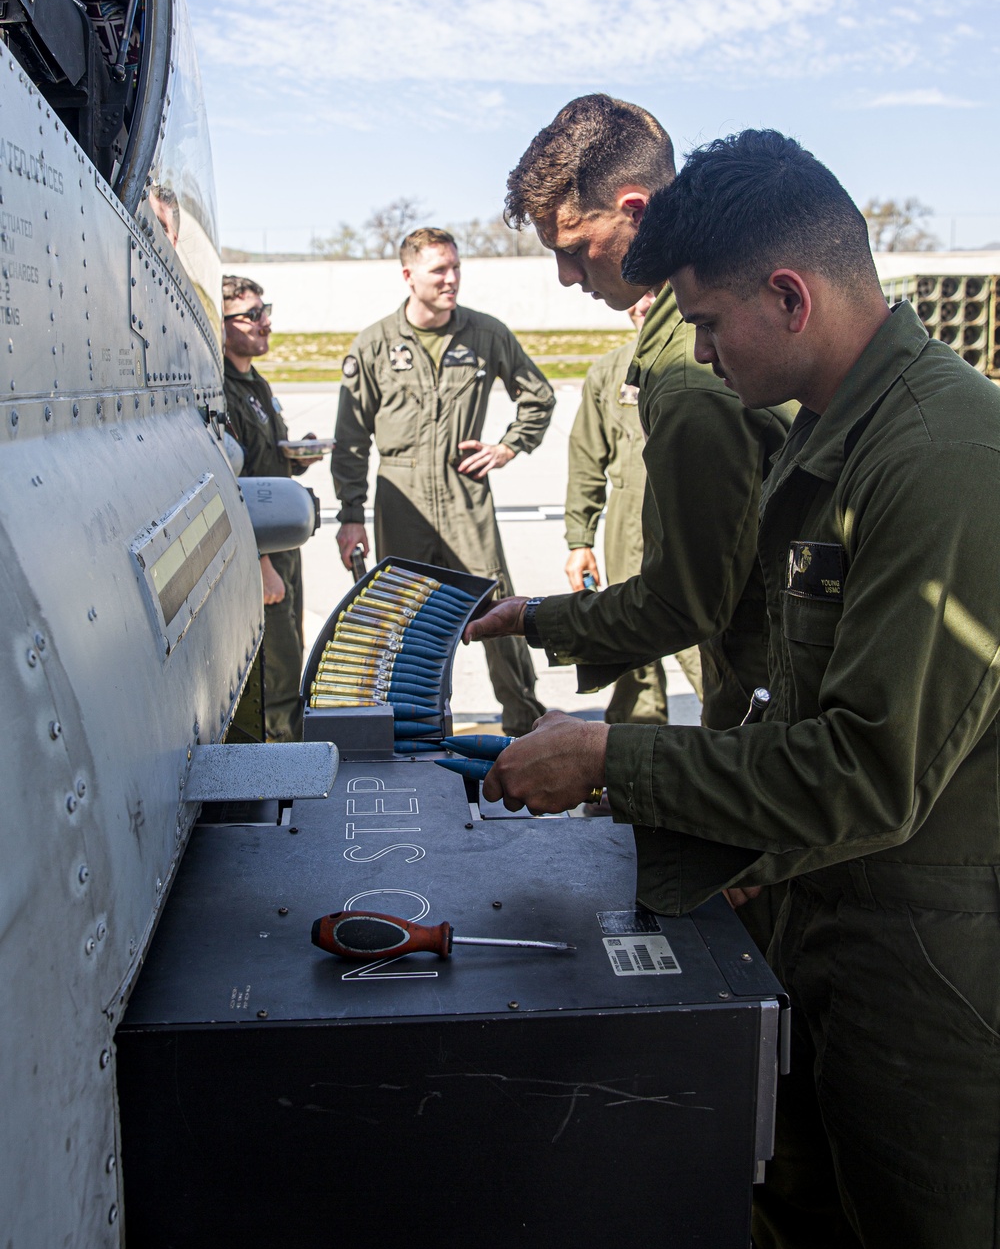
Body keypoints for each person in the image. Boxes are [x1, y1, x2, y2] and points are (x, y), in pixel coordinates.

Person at [478, 130, 1000, 1249]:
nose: (699, 354)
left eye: (709, 325)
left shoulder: (938, 456)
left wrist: (615, 760)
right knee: (810, 1232)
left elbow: (871, 769)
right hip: (828, 915)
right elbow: (780, 688)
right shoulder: (832, 431)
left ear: (788, 294)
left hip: (928, 962)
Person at [473, 94, 792, 949]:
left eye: (576, 251)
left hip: (779, 729)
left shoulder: (691, 374)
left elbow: (689, 604)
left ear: (636, 212)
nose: (570, 278)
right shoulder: (692, 342)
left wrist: (540, 619)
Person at [330, 227, 554, 736]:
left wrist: (509, 445)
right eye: (439, 270)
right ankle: (413, 730)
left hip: (464, 496)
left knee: (498, 613)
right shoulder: (374, 345)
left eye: (456, 267)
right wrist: (350, 515)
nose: (452, 279)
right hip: (399, 496)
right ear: (409, 276)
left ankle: (526, 725)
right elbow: (350, 441)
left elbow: (537, 396)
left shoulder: (486, 334)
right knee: (402, 623)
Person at [564, 288, 703, 729]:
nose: (642, 305)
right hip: (627, 527)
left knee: (706, 646)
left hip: (691, 523)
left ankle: (736, 744)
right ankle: (632, 768)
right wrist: (579, 540)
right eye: (635, 296)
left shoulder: (706, 358)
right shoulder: (609, 373)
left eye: (653, 294)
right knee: (631, 648)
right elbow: (587, 458)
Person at [222, 275, 321, 742]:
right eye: (252, 315)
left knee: (291, 659)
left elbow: (261, 462)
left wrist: (293, 457)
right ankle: (285, 788)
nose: (266, 323)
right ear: (221, 325)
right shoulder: (221, 390)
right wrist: (260, 563)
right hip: (258, 552)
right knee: (277, 676)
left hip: (280, 545)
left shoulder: (253, 383)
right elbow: (229, 486)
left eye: (265, 311)